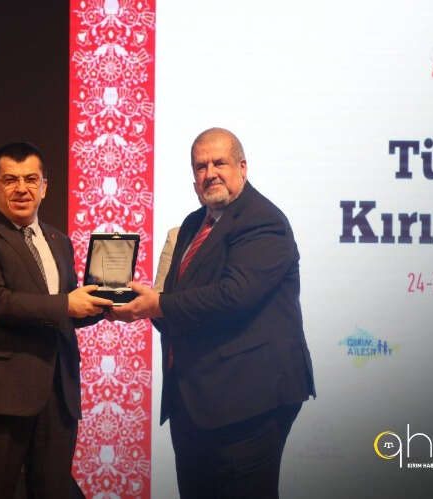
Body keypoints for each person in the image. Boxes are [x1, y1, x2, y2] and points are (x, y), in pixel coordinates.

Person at [108, 128, 315, 498]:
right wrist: (136, 306)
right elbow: (179, 302)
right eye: (200, 166)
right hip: (195, 400)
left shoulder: (262, 220)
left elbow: (233, 297)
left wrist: (157, 304)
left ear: (242, 167)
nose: (210, 173)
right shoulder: (192, 224)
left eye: (219, 163)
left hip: (249, 401)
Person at [0, 142, 112, 498]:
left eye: (30, 179)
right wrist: (67, 305)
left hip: (58, 395)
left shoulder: (59, 241)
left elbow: (62, 313)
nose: (21, 188)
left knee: (53, 491)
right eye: (10, 180)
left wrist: (105, 306)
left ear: (45, 187)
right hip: (0, 397)